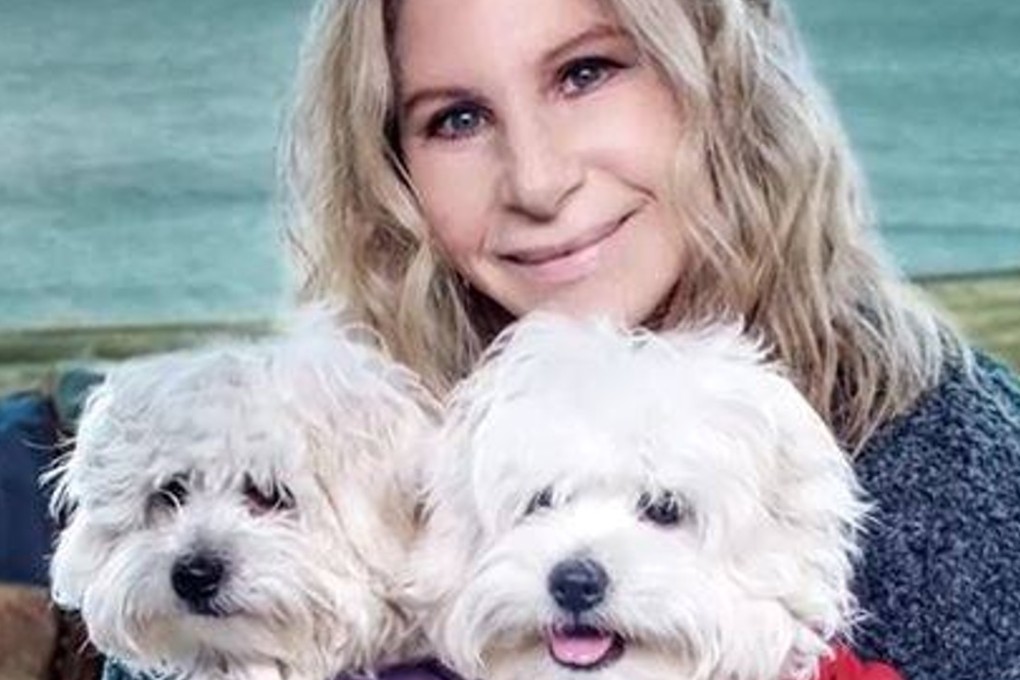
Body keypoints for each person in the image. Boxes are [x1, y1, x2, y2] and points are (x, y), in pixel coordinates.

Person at [106, 0, 1020, 679]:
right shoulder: (313, 429)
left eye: (586, 72)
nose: (537, 181)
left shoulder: (943, 453)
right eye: (455, 119)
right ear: (393, 172)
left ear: (719, 78)